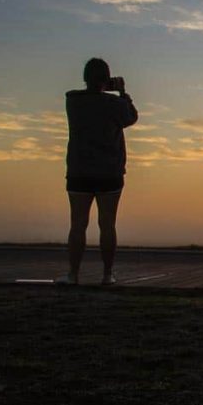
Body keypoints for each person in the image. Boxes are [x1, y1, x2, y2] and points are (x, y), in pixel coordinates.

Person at [57, 58, 138, 285]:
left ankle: (73, 274)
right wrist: (122, 92)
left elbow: (83, 95)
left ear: (85, 78)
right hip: (109, 173)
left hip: (79, 172)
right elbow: (131, 117)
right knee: (107, 224)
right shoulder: (113, 104)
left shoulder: (73, 102)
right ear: (106, 79)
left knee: (77, 225)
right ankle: (107, 274)